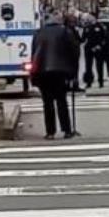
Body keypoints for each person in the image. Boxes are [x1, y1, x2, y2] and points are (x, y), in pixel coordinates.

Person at [31, 12, 80, 140]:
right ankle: (67, 130)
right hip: (60, 71)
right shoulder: (65, 32)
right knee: (61, 100)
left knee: (47, 103)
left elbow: (34, 54)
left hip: (43, 72)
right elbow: (74, 52)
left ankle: (50, 131)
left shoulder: (39, 33)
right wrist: (73, 74)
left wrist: (33, 75)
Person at [83, 13, 109, 89]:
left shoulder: (100, 26)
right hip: (89, 48)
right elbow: (83, 38)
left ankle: (100, 82)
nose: (89, 18)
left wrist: (100, 45)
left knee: (99, 66)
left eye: (90, 17)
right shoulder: (86, 27)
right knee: (88, 66)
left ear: (94, 17)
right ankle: (89, 82)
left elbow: (105, 38)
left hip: (98, 48)